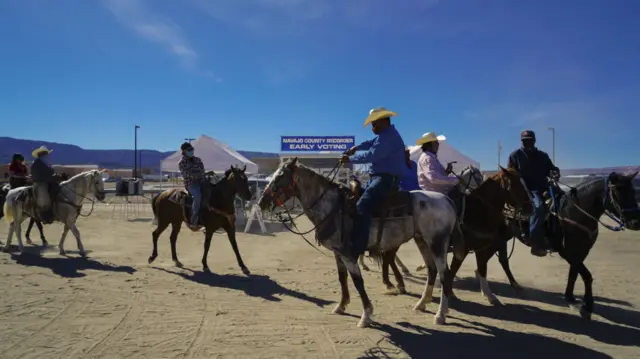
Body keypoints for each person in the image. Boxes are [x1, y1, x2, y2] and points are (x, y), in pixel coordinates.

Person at [341, 107, 407, 258]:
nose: (373, 127)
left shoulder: (388, 138)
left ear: (384, 121)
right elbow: (370, 143)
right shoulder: (384, 135)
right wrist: (356, 148)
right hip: (378, 178)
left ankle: (358, 247)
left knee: (362, 206)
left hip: (385, 179)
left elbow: (372, 155)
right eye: (372, 124)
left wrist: (349, 159)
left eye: (374, 124)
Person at [507, 130, 560, 257]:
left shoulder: (543, 155)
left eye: (530, 140)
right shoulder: (515, 155)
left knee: (565, 201)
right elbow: (510, 175)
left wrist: (555, 172)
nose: (527, 143)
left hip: (546, 187)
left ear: (534, 141)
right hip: (527, 190)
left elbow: (552, 168)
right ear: (521, 141)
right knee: (539, 208)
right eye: (525, 141)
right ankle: (535, 241)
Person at [178, 142, 211, 230]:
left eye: (192, 149)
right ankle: (193, 220)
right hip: (191, 184)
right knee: (198, 196)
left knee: (212, 192)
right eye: (189, 150)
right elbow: (186, 174)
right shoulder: (182, 162)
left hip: (202, 182)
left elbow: (202, 170)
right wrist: (199, 174)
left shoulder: (198, 160)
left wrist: (205, 174)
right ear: (184, 151)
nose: (191, 151)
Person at [30, 146, 59, 224]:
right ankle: (44, 216)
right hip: (40, 183)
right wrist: (51, 177)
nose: (47, 155)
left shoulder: (46, 163)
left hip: (48, 181)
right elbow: (38, 176)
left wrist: (54, 175)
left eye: (47, 154)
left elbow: (50, 172)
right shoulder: (36, 163)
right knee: (43, 197)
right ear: (41, 155)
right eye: (46, 154)